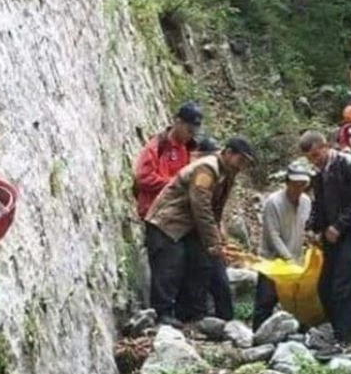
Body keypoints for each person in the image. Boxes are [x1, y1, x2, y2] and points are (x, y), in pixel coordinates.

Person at [145, 137, 255, 326]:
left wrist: (219, 238)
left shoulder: (227, 172)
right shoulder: (207, 169)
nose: (242, 166)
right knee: (169, 267)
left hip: (188, 227)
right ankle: (162, 314)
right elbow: (201, 207)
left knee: (202, 265)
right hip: (168, 222)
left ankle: (193, 314)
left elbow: (216, 209)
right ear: (228, 153)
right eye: (241, 160)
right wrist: (212, 242)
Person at [300, 130, 351, 356]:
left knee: (346, 287)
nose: (314, 160)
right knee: (325, 286)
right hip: (333, 238)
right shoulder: (320, 175)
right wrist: (312, 227)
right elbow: (319, 206)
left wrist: (339, 226)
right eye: (310, 158)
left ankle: (347, 339)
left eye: (316, 154)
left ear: (325, 146)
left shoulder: (349, 164)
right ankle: (338, 331)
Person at [253, 161, 312, 330]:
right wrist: (288, 258)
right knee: (265, 300)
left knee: (296, 303)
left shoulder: (306, 202)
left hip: (295, 261)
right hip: (272, 261)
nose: (299, 188)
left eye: (302, 184)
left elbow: (306, 228)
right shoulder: (273, 202)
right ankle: (258, 336)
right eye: (295, 183)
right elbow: (273, 234)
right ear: (287, 182)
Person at [132, 100, 202, 220]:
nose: (191, 135)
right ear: (178, 122)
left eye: (194, 132)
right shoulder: (157, 146)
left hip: (173, 213)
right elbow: (143, 178)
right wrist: (173, 183)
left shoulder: (188, 150)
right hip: (153, 213)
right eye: (189, 130)